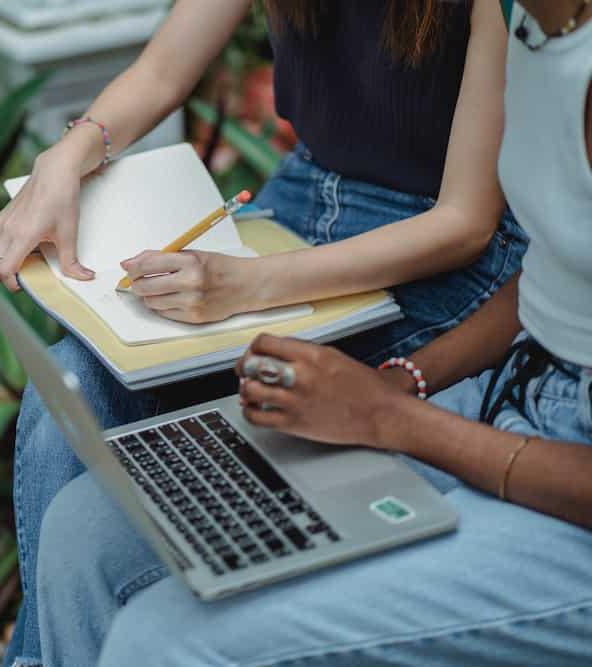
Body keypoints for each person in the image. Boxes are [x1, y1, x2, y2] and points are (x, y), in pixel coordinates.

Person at [35, 0, 592, 663]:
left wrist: (395, 419)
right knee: (87, 526)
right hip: (512, 381)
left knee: (160, 639)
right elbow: (548, 280)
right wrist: (405, 381)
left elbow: (472, 225)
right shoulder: (538, 26)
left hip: (553, 462)